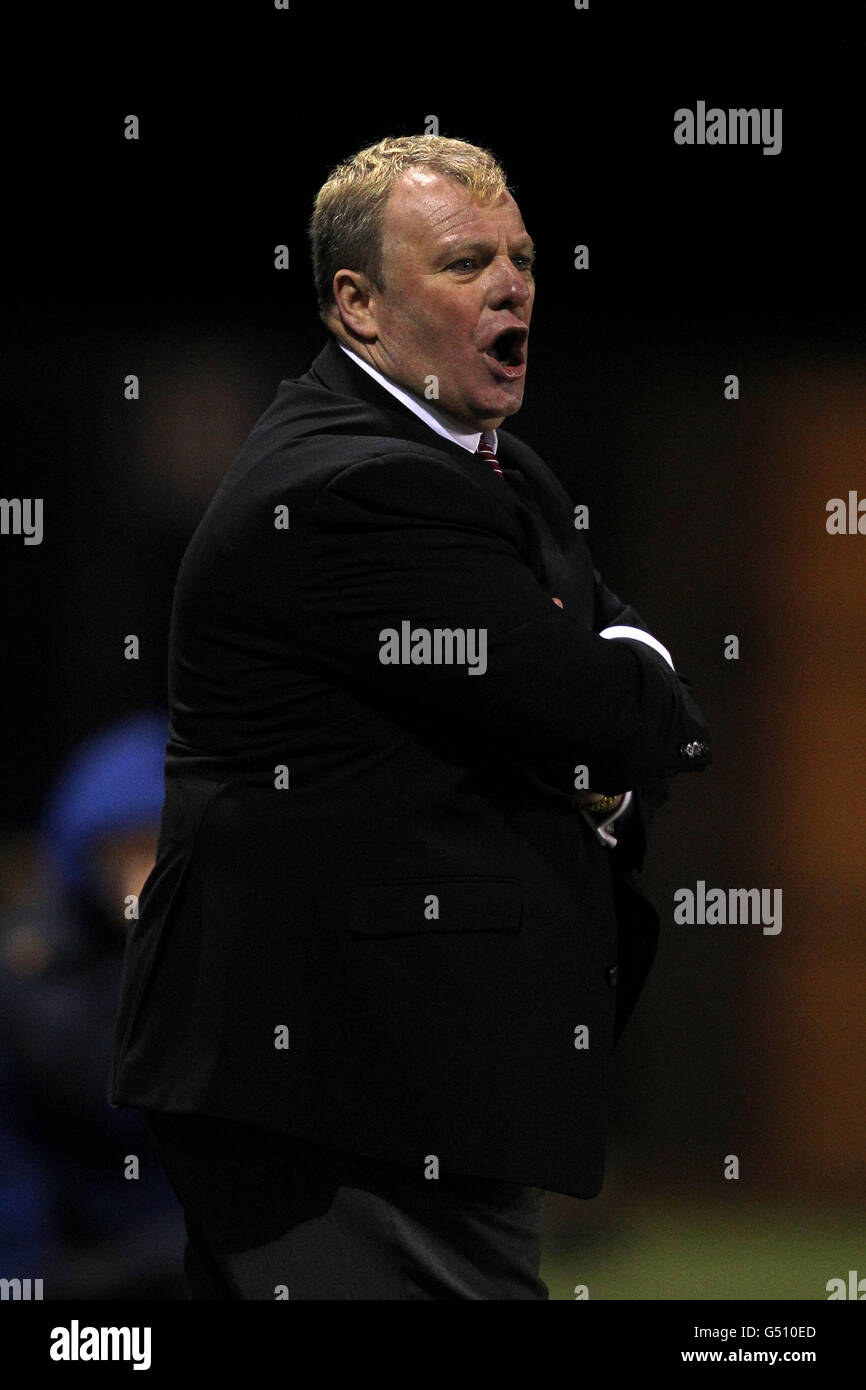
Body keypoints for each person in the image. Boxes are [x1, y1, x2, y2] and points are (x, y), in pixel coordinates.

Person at [109, 135, 711, 1300]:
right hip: (337, 1091)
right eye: (464, 259)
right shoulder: (354, 487)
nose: (511, 283)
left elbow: (624, 707)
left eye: (523, 256)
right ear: (358, 305)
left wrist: (597, 703)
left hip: (402, 1085)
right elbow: (618, 712)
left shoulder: (500, 471)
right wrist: (597, 710)